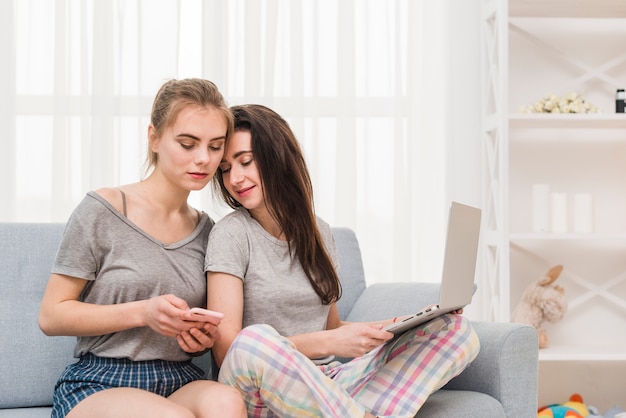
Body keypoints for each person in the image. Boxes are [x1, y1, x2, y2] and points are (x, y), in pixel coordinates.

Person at [205, 104, 481, 418]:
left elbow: (334, 326)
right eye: (226, 168)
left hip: (331, 387)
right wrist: (330, 342)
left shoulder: (319, 232)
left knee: (456, 329)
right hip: (260, 393)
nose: (235, 178)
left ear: (277, 157)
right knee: (254, 340)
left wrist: (408, 323)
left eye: (245, 161)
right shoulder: (230, 234)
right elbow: (228, 349)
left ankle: (351, 411)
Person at [38, 78, 247, 418]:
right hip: (100, 382)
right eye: (188, 143)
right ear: (154, 138)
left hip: (179, 379)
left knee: (227, 403)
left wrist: (201, 338)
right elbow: (51, 315)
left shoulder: (209, 231)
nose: (203, 159)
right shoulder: (103, 209)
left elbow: (210, 328)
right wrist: (143, 313)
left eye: (214, 146)